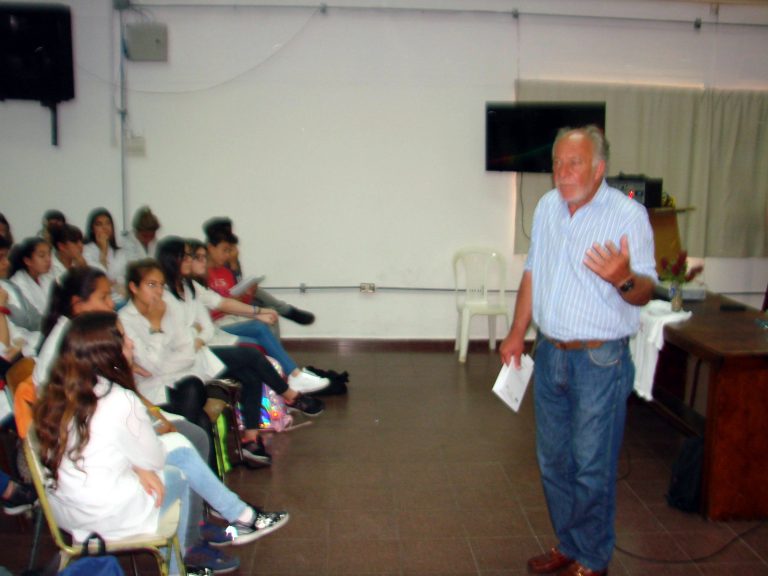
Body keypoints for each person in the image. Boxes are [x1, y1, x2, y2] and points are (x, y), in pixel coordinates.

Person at [499, 126, 656, 576]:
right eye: (558, 163)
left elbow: (645, 292)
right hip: (551, 354)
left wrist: (623, 277)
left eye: (575, 163)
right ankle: (569, 544)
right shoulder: (548, 208)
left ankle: (593, 557)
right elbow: (533, 272)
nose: (564, 173)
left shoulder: (629, 217)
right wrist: (516, 331)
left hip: (599, 360)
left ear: (599, 168)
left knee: (592, 466)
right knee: (553, 463)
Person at [33, 312, 289, 575]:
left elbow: (98, 450)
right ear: (106, 352)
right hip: (107, 516)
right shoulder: (118, 399)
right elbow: (153, 459)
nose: (131, 343)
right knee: (178, 469)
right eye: (123, 338)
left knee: (179, 448)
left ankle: (241, 516)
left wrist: (138, 467)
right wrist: (142, 467)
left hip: (67, 513)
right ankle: (185, 562)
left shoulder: (56, 392)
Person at [157, 238, 323, 463]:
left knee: (251, 374)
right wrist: (197, 336)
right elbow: (179, 338)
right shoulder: (164, 295)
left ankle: (251, 440)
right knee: (252, 355)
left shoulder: (189, 287)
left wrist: (200, 334)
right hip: (186, 363)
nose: (189, 260)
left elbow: (210, 320)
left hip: (202, 351)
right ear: (172, 260)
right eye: (185, 256)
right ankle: (290, 395)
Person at [202, 228, 329, 394]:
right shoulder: (201, 275)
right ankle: (290, 376)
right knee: (259, 332)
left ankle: (289, 375)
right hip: (215, 325)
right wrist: (254, 310)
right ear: (210, 248)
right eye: (224, 250)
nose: (227, 255)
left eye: (230, 251)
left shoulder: (225, 272)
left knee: (268, 320)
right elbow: (220, 304)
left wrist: (248, 294)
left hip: (232, 318)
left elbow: (235, 303)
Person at [203, 217, 315, 327]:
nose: (229, 253)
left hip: (237, 299)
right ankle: (287, 310)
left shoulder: (228, 252)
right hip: (224, 307)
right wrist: (234, 268)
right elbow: (226, 295)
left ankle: (286, 310)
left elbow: (236, 283)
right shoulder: (206, 264)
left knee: (266, 304)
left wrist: (235, 265)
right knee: (263, 305)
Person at [83, 207, 128, 301]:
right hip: (98, 299)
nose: (104, 228)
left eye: (108, 223)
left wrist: (117, 281)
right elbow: (98, 277)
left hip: (120, 297)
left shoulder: (120, 251)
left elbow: (126, 276)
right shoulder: (86, 250)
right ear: (92, 229)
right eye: (99, 224)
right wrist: (103, 251)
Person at [9, 237, 53, 318]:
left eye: (49, 254)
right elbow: (34, 315)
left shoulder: (47, 278)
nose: (48, 259)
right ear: (27, 261)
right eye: (42, 255)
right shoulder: (18, 284)